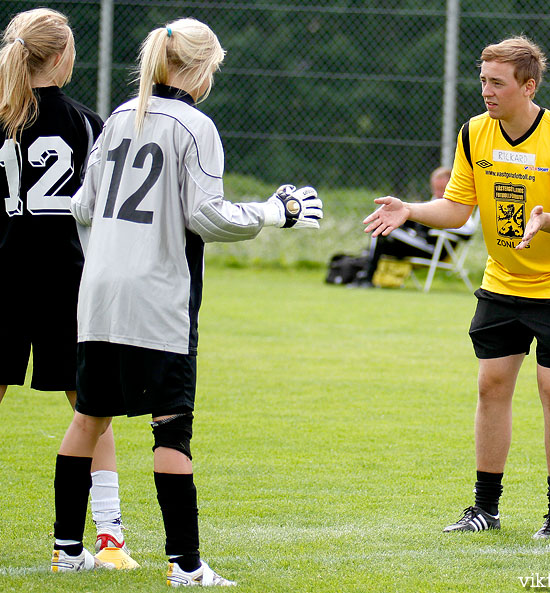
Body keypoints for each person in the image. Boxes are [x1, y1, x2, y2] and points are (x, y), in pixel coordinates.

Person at [50, 17, 321, 585]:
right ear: (200, 69)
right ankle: (187, 566)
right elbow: (207, 215)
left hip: (98, 293)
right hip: (158, 299)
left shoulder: (119, 118)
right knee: (170, 427)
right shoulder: (196, 125)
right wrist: (279, 211)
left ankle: (67, 549)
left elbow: (83, 207)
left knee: (88, 416)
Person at [364, 36, 550, 539]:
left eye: (497, 82)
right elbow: (457, 209)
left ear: (528, 86)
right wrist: (411, 210)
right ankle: (484, 509)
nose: (486, 91)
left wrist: (546, 219)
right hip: (503, 279)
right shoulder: (475, 133)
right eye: (483, 79)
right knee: (491, 386)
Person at [0, 7, 130, 558]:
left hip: (3, 275)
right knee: (91, 407)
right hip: (65, 279)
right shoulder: (83, 122)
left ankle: (102, 537)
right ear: (60, 57)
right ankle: (108, 537)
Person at [353, 167, 478, 287]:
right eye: (435, 189)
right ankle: (361, 272)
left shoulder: (457, 208)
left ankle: (367, 277)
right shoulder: (430, 203)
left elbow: (469, 231)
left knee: (381, 230)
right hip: (417, 242)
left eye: (442, 189)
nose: (438, 193)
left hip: (432, 249)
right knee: (383, 233)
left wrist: (440, 222)